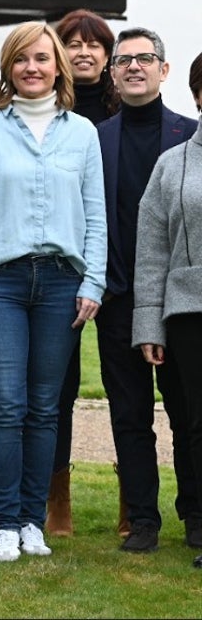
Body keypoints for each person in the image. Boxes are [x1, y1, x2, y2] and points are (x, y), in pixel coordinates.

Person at [0, 21, 106, 562]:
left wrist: (94, 280)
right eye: (22, 60)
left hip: (64, 283)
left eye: (42, 58)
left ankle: (31, 523)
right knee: (7, 404)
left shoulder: (82, 133)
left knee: (44, 407)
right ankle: (4, 523)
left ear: (58, 67)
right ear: (8, 68)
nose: (33, 68)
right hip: (0, 284)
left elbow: (95, 217)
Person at [96, 27, 199, 553]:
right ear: (112, 74)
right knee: (129, 418)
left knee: (188, 415)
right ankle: (142, 522)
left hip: (181, 304)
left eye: (145, 58)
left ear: (163, 69)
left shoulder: (190, 136)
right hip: (118, 300)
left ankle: (195, 516)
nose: (134, 66)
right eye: (124, 59)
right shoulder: (95, 139)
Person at [46, 9, 119, 536]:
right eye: (72, 43)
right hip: (60, 268)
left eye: (95, 44)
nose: (84, 52)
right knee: (58, 387)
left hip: (118, 272)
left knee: (125, 386)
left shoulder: (130, 116)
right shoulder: (46, 118)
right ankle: (57, 500)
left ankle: (133, 500)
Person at [134, 51, 202, 569]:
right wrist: (148, 325)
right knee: (194, 423)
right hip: (188, 314)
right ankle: (198, 523)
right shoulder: (172, 164)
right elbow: (152, 253)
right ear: (198, 96)